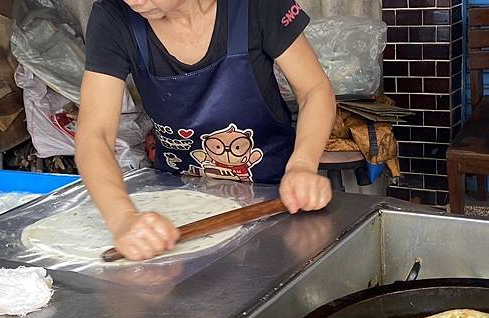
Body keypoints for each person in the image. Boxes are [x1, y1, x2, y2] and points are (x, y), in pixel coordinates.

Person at [75, 0, 336, 261]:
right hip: (178, 212)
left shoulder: (255, 5)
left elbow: (314, 90)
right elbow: (94, 134)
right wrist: (122, 217)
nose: (132, 0)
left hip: (274, 201)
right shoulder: (114, 15)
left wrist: (302, 164)